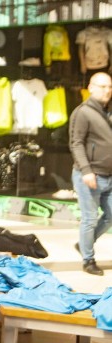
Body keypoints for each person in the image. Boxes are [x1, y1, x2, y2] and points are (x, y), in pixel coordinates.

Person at [69, 72, 112, 276]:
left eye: (110, 87)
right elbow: (76, 143)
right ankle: (88, 259)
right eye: (103, 87)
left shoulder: (107, 112)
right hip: (89, 175)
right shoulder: (83, 112)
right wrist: (86, 171)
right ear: (91, 87)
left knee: (110, 215)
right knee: (90, 218)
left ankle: (84, 244)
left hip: (109, 175)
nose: (107, 91)